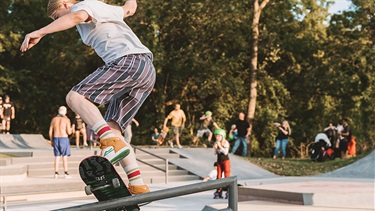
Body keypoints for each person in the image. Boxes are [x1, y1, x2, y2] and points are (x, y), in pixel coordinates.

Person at [20, 0, 155, 194]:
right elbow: (129, 9)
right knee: (113, 127)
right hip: (146, 70)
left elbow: (77, 16)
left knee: (75, 97)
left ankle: (110, 141)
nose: (61, 21)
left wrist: (39, 32)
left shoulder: (80, 7)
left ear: (65, 4)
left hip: (128, 62)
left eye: (58, 16)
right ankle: (138, 184)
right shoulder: (107, 9)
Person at [49, 106, 73, 179]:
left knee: (57, 156)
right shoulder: (66, 120)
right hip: (64, 138)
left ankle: (56, 173)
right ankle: (66, 173)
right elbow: (69, 132)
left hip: (56, 138)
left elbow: (50, 131)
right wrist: (72, 130)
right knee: (64, 156)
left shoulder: (54, 119)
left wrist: (51, 140)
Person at [212, 129, 231, 199]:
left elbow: (225, 152)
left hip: (225, 160)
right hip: (219, 161)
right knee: (219, 175)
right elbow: (214, 153)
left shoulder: (225, 143)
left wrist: (220, 146)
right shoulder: (216, 143)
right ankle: (219, 190)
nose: (217, 138)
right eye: (216, 136)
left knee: (227, 175)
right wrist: (215, 148)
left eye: (219, 136)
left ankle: (228, 191)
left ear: (222, 136)